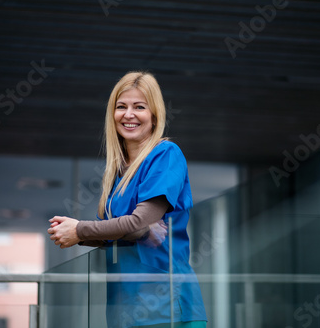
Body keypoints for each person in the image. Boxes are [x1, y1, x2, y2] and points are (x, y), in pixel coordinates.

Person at [48, 71, 207, 328]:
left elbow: (136, 222)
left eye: (139, 107)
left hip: (166, 308)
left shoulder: (165, 154)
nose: (129, 114)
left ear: (154, 116)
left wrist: (80, 229)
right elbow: (123, 231)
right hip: (124, 308)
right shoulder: (118, 172)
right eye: (121, 107)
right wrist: (74, 231)